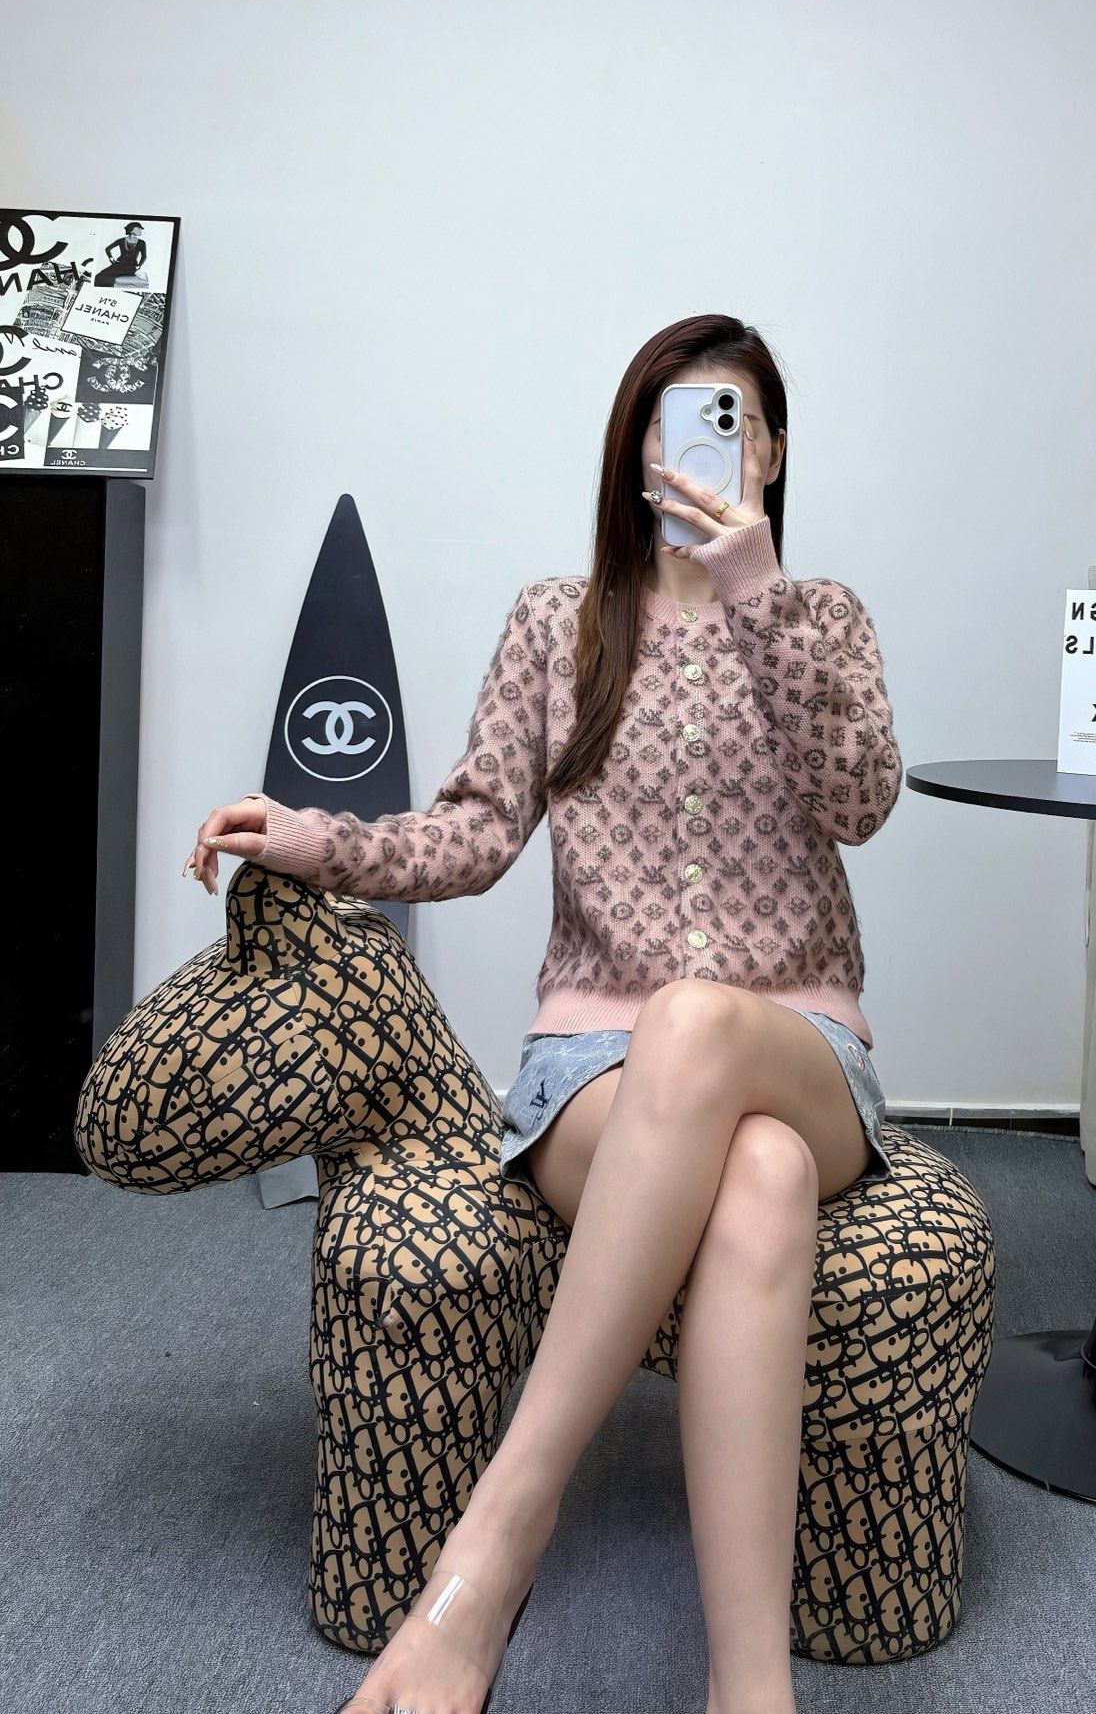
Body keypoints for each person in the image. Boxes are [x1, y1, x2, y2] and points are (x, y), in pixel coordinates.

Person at [183, 314, 903, 1714]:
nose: (704, 447)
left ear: (770, 453)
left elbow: (859, 802)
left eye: (735, 422)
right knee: (757, 1177)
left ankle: (495, 1540)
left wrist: (758, 591)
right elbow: (469, 834)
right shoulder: (554, 625)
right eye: (675, 422)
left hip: (801, 1049)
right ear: (635, 452)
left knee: (702, 1025)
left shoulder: (823, 618)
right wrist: (312, 835)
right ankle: (753, 1690)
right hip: (594, 1071)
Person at [93, 221, 147, 287]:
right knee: (100, 276)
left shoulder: (141, 243)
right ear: (132, 230)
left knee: (113, 276)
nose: (141, 230)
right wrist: (111, 258)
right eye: (138, 228)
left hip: (131, 266)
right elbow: (107, 249)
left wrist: (139, 266)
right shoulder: (121, 240)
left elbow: (144, 256)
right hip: (118, 264)